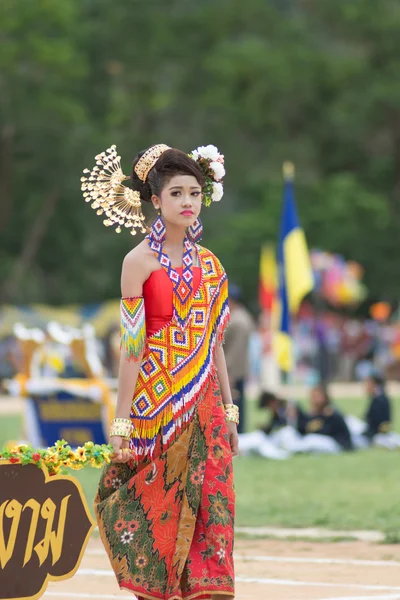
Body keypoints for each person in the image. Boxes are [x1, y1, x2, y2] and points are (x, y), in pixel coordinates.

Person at [82, 143, 237, 600]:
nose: (187, 202)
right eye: (176, 193)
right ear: (156, 200)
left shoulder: (211, 264)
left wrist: (229, 411)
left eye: (194, 192)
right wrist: (122, 421)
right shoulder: (137, 263)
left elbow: (217, 343)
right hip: (156, 409)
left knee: (212, 511)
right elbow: (132, 349)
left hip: (205, 405)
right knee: (159, 514)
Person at [223, 284, 254, 433]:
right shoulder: (239, 317)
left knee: (233, 405)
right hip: (236, 371)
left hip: (232, 372)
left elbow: (235, 352)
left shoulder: (238, 321)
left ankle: (237, 435)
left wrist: (229, 373)